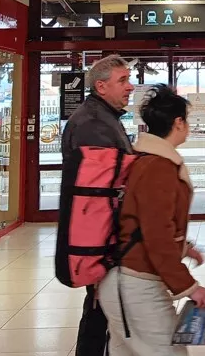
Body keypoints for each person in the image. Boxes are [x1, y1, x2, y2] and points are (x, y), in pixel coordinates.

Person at [97, 85, 205, 356]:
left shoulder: (151, 160)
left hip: (130, 282)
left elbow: (150, 222)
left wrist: (184, 248)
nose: (189, 126)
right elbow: (156, 233)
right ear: (178, 122)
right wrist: (189, 288)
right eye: (187, 120)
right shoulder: (158, 167)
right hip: (135, 285)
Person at [63, 55, 135, 356]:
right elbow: (99, 193)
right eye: (123, 81)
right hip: (100, 239)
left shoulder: (103, 118)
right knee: (100, 312)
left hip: (101, 239)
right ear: (101, 86)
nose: (130, 87)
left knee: (100, 312)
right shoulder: (94, 124)